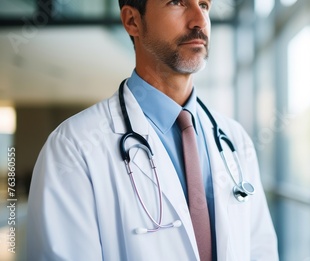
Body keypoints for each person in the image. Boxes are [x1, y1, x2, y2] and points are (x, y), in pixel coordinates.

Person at [26, 0, 278, 260]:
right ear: (132, 21)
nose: (199, 21)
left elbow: (260, 249)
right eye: (177, 3)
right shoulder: (74, 148)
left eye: (203, 5)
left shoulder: (235, 139)